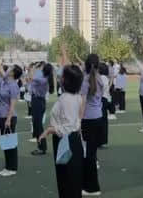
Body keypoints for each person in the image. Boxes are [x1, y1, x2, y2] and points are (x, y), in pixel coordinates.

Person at [41, 64, 85, 198]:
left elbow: (67, 127)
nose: (60, 77)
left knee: (67, 180)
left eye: (62, 76)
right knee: (71, 180)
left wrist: (49, 130)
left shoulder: (66, 98)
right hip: (72, 140)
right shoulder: (75, 96)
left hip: (66, 140)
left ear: (66, 80)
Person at [79, 52, 105, 195]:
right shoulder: (99, 78)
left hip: (88, 119)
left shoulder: (86, 80)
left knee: (87, 155)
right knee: (91, 154)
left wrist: (79, 121)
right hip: (98, 118)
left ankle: (92, 187)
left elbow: (82, 103)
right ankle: (90, 185)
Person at [0, 53, 21, 177]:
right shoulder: (5, 79)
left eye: (10, 68)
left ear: (13, 73)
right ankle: (8, 166)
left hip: (9, 117)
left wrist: (8, 119)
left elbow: (13, 104)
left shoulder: (13, 85)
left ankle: (12, 167)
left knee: (10, 143)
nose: (7, 68)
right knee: (5, 142)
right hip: (1, 115)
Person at [30, 62, 53, 156]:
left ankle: (42, 147)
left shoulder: (42, 80)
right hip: (39, 101)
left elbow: (31, 76)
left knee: (38, 126)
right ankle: (40, 146)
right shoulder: (45, 78)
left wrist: (34, 67)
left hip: (38, 102)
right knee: (37, 125)